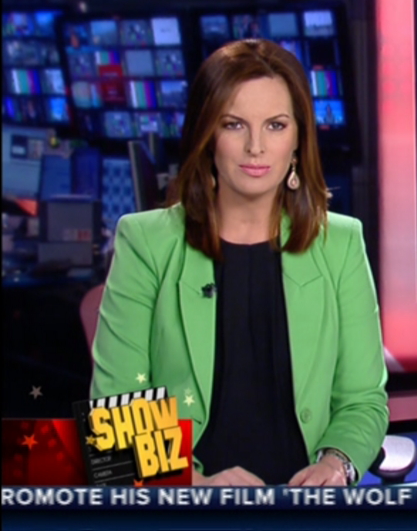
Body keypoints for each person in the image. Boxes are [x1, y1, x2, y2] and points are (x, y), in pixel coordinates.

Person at [90, 39, 388, 486]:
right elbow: (117, 413)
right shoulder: (146, 242)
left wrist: (336, 464)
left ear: (298, 139)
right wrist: (197, 486)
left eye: (275, 125)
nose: (255, 147)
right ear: (207, 135)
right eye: (234, 125)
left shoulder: (340, 244)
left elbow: (363, 401)